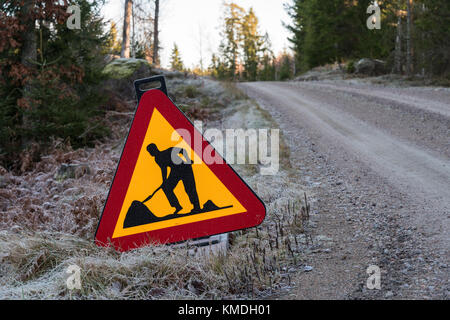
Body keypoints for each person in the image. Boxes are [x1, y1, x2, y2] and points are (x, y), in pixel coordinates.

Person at [147, 143, 201, 214]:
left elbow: (183, 150)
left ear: (155, 149)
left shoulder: (169, 151)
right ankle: (177, 206)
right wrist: (164, 181)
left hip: (185, 168)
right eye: (149, 152)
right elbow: (163, 169)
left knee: (189, 188)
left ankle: (196, 207)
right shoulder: (157, 159)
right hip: (175, 172)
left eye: (150, 151)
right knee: (167, 188)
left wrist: (188, 160)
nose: (150, 153)